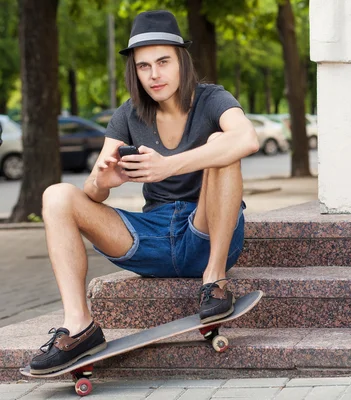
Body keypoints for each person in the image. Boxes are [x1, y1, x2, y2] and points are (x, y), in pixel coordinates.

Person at [28, 10, 259, 375]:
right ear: (134, 71)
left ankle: (215, 281)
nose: (154, 74)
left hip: (207, 232)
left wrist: (170, 164)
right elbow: (93, 190)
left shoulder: (212, 99)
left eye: (163, 62)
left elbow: (247, 139)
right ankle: (79, 325)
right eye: (144, 66)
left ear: (181, 61)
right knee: (57, 195)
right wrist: (103, 181)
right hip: (151, 238)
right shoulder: (129, 114)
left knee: (224, 144)